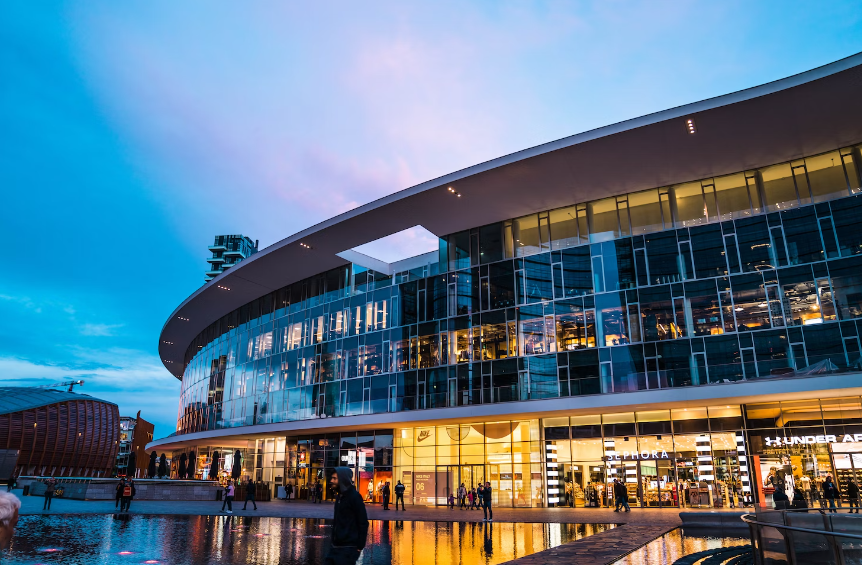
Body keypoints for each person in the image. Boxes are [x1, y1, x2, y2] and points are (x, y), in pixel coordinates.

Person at [325, 467, 368, 565]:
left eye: (335, 478)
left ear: (342, 479)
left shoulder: (354, 497)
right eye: (332, 478)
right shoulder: (340, 497)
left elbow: (363, 522)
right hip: (335, 547)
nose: (331, 481)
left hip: (348, 549)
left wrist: (360, 546)